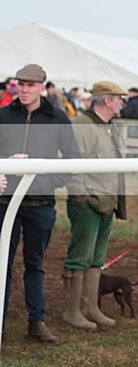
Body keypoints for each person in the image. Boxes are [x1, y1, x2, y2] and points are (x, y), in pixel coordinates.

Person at [0, 63, 81, 343]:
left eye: (30, 85)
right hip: (5, 204)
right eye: (20, 84)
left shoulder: (58, 118)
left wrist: (43, 182)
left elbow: (73, 160)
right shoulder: (3, 116)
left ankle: (36, 321)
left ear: (42, 88)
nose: (23, 90)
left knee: (35, 264)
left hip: (41, 205)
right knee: (2, 264)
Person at [63, 81, 128, 329]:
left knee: (97, 258)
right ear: (108, 101)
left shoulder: (110, 127)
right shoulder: (82, 126)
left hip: (106, 202)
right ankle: (72, 311)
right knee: (79, 258)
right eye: (119, 98)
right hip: (88, 202)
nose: (122, 102)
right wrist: (82, 198)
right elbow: (73, 165)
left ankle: (90, 307)